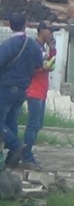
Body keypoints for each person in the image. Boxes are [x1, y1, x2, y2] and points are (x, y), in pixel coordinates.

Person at [0, 13, 43, 169]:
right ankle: (12, 159)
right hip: (23, 90)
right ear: (25, 24)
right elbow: (39, 64)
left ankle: (16, 145)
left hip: (6, 89)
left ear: (10, 25)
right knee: (11, 121)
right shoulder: (32, 45)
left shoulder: (7, 45)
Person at [21, 21, 59, 169]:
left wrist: (53, 51)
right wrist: (43, 68)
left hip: (42, 91)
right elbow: (32, 68)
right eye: (49, 30)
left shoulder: (44, 48)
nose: (51, 34)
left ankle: (27, 152)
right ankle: (26, 155)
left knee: (38, 125)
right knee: (33, 124)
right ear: (42, 31)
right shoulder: (34, 47)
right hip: (34, 90)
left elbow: (50, 66)